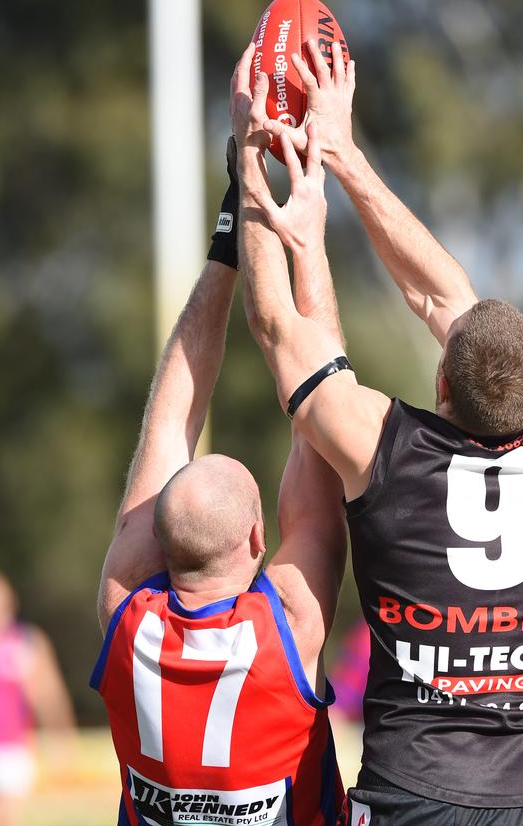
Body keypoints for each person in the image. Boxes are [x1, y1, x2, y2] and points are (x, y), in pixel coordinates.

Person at [232, 37, 523, 826]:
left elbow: (273, 323)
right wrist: (347, 158)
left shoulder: (384, 448)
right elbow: (447, 305)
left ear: (441, 382)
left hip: (410, 797)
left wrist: (251, 158)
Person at [92, 140, 347, 826]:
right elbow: (325, 408)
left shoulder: (125, 612)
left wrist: (229, 236)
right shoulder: (290, 623)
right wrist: (302, 238)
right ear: (258, 535)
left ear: (152, 536)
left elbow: (171, 418)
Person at [0, 568, 75, 826]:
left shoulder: (26, 641)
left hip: (12, 749)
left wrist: (61, 740)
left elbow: (48, 695)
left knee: (3, 818)